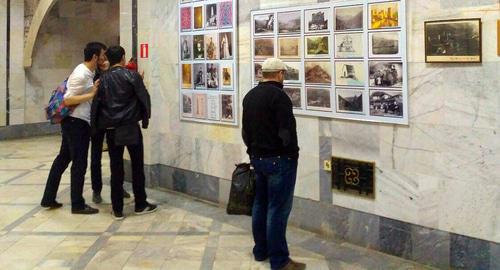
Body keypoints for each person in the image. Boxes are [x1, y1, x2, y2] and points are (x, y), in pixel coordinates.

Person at [242, 58, 304, 270]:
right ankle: (279, 261)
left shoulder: (250, 96)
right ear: (279, 74)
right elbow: (286, 132)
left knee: (260, 205)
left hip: (257, 159)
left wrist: (253, 151)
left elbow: (245, 131)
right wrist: (292, 155)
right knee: (277, 210)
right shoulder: (279, 97)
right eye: (283, 74)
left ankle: (261, 251)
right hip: (279, 161)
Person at [91, 45, 157, 220]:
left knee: (116, 167)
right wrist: (145, 119)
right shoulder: (131, 76)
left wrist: (96, 126)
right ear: (122, 58)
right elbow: (144, 99)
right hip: (130, 128)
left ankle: (117, 208)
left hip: (112, 130)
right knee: (137, 167)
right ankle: (140, 204)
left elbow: (97, 105)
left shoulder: (103, 80)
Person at [41, 42, 107, 215]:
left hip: (75, 122)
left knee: (63, 159)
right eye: (102, 55)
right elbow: (68, 100)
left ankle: (48, 198)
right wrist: (91, 94)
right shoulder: (81, 73)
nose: (103, 58)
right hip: (75, 123)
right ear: (94, 56)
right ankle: (77, 204)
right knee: (79, 163)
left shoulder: (88, 71)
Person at [90, 51, 132, 204]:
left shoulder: (110, 72)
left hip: (110, 121)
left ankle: (118, 187)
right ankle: (97, 189)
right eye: (100, 56)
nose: (102, 59)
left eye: (104, 56)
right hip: (97, 121)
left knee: (115, 157)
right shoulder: (92, 74)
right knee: (96, 156)